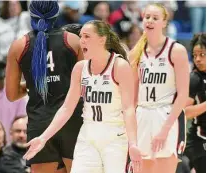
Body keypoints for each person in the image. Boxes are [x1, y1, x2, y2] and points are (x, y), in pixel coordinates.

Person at [23, 20, 143, 173]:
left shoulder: (119, 66)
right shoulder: (80, 68)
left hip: (115, 136)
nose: (82, 41)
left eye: (87, 36)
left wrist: (133, 143)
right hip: (88, 134)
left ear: (102, 39)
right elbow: (66, 108)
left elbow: (128, 108)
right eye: (81, 37)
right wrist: (43, 138)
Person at [5, 1, 84, 173]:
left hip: (39, 123)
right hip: (73, 120)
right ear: (56, 14)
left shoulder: (19, 46)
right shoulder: (73, 41)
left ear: (30, 14)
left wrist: (37, 81)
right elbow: (85, 86)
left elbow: (11, 94)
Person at [129, 3, 189, 173]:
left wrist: (164, 130)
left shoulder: (176, 50)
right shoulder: (136, 53)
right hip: (142, 115)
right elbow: (132, 99)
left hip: (167, 115)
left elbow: (183, 95)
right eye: (147, 17)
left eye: (155, 18)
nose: (150, 21)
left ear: (164, 23)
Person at [184, 33, 206, 173]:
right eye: (194, 55)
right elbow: (184, 112)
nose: (198, 59)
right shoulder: (194, 79)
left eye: (202, 54)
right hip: (199, 141)